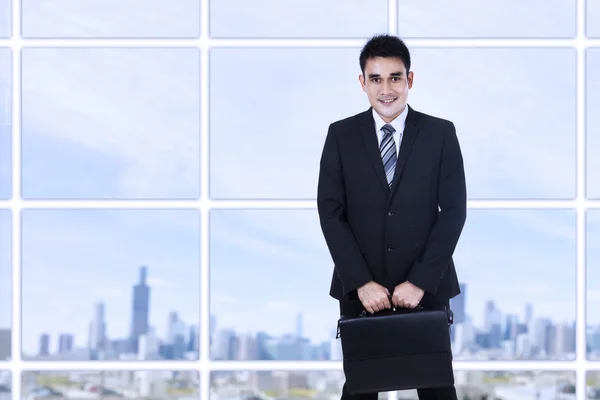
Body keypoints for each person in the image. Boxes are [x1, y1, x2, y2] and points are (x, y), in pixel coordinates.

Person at [317, 34, 467, 400]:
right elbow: (330, 212)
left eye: (395, 77)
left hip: (426, 286)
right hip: (361, 288)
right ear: (362, 83)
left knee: (436, 389)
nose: (386, 89)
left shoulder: (440, 133)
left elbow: (454, 211)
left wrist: (420, 281)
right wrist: (361, 282)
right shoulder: (341, 135)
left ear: (410, 80)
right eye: (376, 79)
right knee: (361, 389)